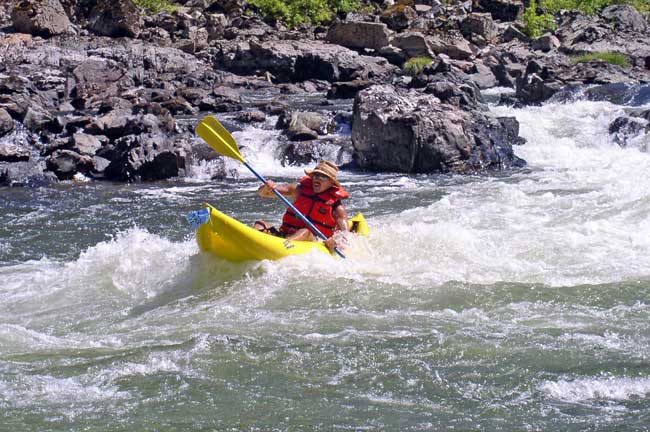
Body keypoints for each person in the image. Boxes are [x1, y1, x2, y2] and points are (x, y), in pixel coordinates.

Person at [254, 160, 350, 252]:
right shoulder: (298, 190)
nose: (317, 178)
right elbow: (262, 193)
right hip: (286, 235)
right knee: (260, 224)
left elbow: (345, 235)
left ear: (331, 183)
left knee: (304, 231)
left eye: (323, 177)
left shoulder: (337, 207)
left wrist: (335, 242)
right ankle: (256, 244)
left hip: (314, 241)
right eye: (316, 175)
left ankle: (281, 247)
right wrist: (266, 187)